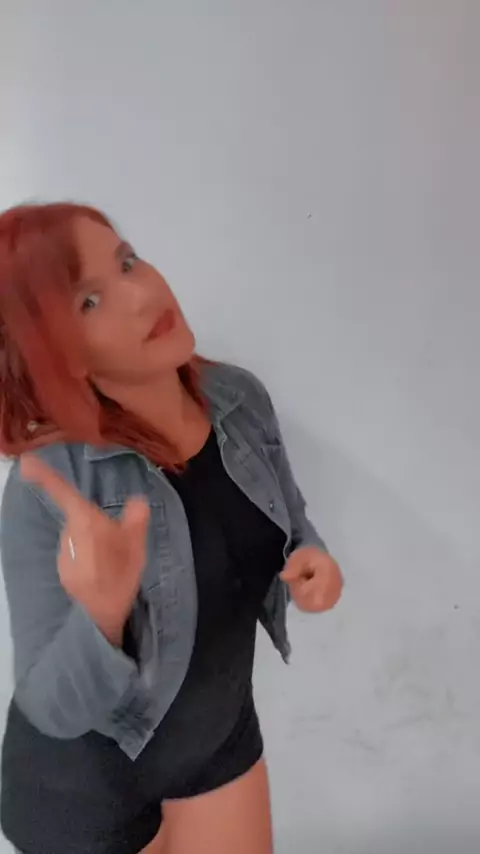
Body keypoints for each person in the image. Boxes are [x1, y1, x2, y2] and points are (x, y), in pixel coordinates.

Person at [0, 202, 343, 854]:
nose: (141, 294)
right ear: (58, 354)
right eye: (90, 301)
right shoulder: (48, 486)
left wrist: (312, 557)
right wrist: (102, 616)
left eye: (127, 262)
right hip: (85, 788)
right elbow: (52, 708)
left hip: (219, 741)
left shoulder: (239, 399)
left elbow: (290, 518)